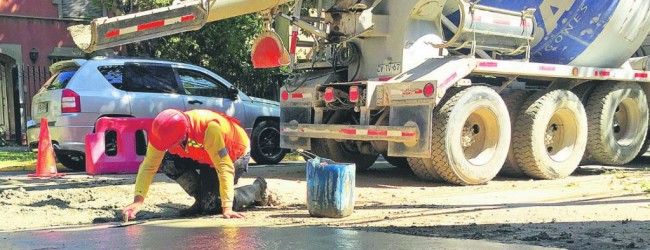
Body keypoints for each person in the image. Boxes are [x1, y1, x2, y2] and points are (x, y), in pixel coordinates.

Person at [122, 109, 268, 219]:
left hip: (233, 155)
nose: (166, 148)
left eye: (170, 145)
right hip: (202, 155)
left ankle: (257, 189)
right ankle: (202, 199)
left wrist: (227, 208)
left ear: (182, 137)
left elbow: (225, 167)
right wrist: (138, 201)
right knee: (168, 162)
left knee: (213, 206)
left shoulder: (210, 129)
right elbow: (148, 166)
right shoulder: (161, 132)